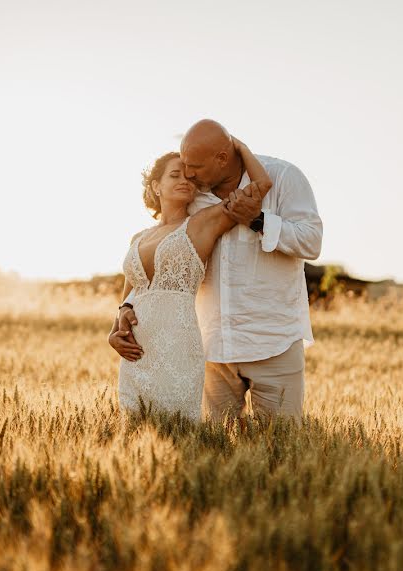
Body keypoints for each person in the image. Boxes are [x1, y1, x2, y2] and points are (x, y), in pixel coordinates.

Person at [112, 120, 323, 424]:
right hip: (210, 347)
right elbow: (154, 269)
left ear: (223, 158)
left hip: (272, 341)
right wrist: (125, 307)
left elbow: (311, 241)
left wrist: (259, 220)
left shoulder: (284, 177)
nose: (189, 176)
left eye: (193, 167)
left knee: (282, 442)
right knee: (211, 444)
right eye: (182, 170)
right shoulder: (193, 197)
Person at [110, 139, 271, 422]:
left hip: (178, 348)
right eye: (174, 175)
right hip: (136, 353)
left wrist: (239, 148)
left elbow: (261, 186)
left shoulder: (203, 223)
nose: (184, 180)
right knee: (134, 429)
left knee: (180, 430)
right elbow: (130, 293)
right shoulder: (138, 238)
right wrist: (118, 323)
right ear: (155, 186)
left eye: (188, 176)